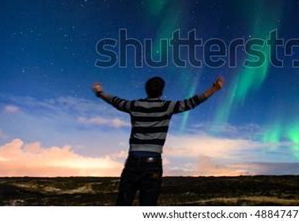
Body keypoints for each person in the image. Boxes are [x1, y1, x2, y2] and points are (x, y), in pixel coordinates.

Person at [92, 75, 224, 205]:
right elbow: (192, 102)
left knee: (123, 203)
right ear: (161, 91)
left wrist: (100, 93)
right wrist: (214, 89)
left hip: (132, 162)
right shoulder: (167, 106)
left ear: (146, 90)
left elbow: (115, 101)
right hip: (153, 164)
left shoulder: (134, 105)